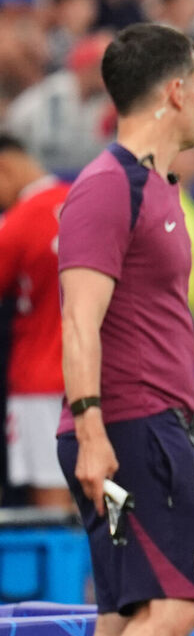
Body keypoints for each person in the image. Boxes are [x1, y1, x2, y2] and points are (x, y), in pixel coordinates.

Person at [45, 22, 194, 636]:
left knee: (124, 615)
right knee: (174, 608)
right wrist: (91, 430)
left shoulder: (158, 186)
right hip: (124, 424)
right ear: (175, 90)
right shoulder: (108, 187)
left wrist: (179, 448)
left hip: (153, 428)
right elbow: (79, 320)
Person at [0, 134, 72, 508]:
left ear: (5, 169)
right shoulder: (84, 200)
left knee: (52, 508)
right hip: (99, 379)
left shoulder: (18, 222)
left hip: (39, 381)